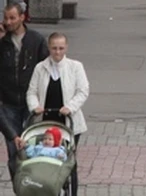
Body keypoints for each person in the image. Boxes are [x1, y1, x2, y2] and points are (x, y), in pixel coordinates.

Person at [26, 33, 89, 195]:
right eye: (54, 48)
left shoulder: (75, 67)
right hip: (46, 121)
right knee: (44, 159)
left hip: (68, 122)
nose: (57, 52)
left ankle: (71, 191)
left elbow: (83, 91)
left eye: (61, 48)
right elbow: (31, 91)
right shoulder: (41, 68)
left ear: (66, 48)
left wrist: (70, 107)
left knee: (68, 161)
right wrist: (35, 106)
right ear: (49, 48)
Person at [0, 4, 48, 181]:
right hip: (8, 103)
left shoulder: (35, 40)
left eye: (12, 18)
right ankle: (19, 188)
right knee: (14, 151)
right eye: (6, 18)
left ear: (22, 17)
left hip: (31, 104)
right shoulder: (3, 42)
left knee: (31, 149)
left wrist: (42, 101)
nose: (8, 22)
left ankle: (32, 187)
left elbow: (45, 69)